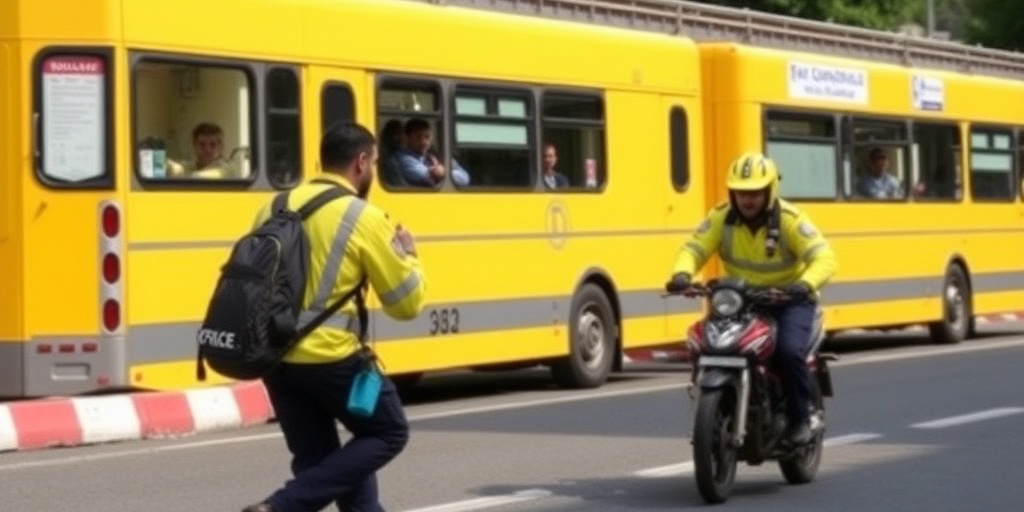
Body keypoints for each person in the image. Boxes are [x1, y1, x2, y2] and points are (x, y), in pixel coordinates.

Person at [242, 122, 427, 512]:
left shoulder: (273, 207)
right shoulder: (364, 216)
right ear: (361, 162)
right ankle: (281, 506)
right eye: (375, 162)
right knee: (389, 431)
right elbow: (405, 305)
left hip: (275, 358)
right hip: (332, 359)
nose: (374, 170)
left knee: (324, 465)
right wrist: (410, 257)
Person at [664, 151, 837, 446]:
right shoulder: (721, 218)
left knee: (788, 352)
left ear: (769, 191)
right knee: (705, 343)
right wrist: (682, 274)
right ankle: (713, 404)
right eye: (741, 192)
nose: (747, 200)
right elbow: (694, 248)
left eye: (755, 193)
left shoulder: (791, 221)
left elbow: (824, 257)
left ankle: (802, 417)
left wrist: (804, 285)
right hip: (741, 301)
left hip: (789, 301)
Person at [390, 118, 470, 187]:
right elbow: (430, 177)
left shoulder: (436, 155)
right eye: (418, 137)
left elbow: (465, 178)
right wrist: (443, 172)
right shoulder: (403, 158)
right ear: (408, 138)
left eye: (427, 137)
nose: (423, 142)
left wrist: (444, 172)